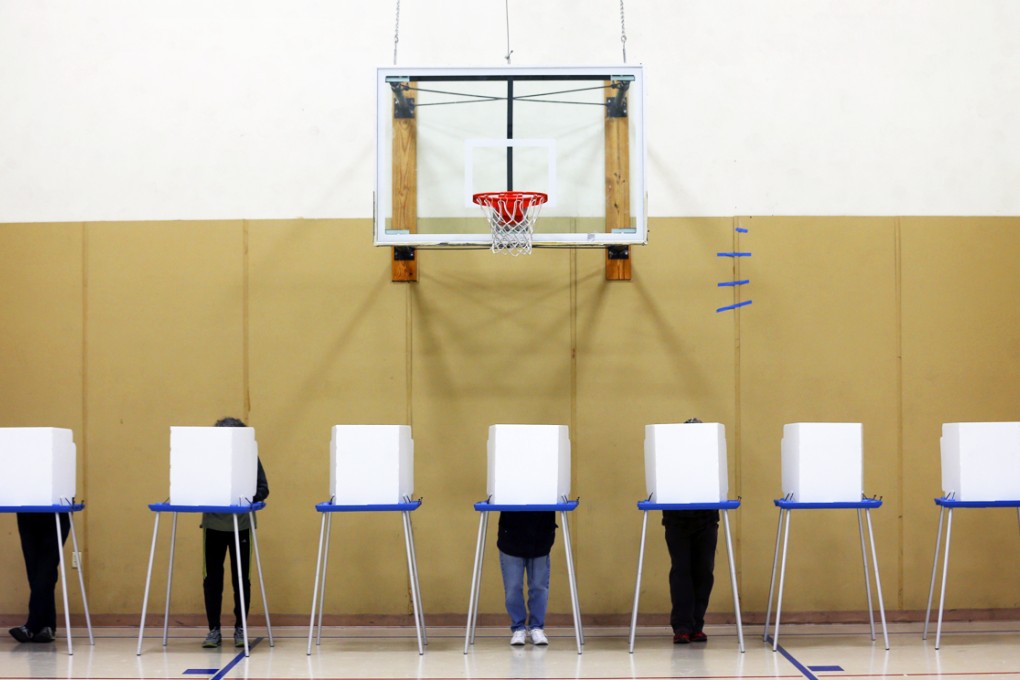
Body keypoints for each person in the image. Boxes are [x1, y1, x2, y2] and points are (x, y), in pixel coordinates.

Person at [201, 417, 269, 649]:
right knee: (212, 581)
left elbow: (264, 488)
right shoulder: (208, 459)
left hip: (241, 525)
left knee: (242, 580)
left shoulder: (249, 458)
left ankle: (241, 628)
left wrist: (247, 496)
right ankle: (214, 630)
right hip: (213, 525)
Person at [662, 418, 719, 644]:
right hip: (677, 520)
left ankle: (696, 625)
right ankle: (682, 626)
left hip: (706, 519)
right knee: (681, 571)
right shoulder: (670, 458)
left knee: (704, 571)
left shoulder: (712, 458)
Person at [497, 510, 556, 646]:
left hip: (540, 535)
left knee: (539, 587)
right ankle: (518, 628)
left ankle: (537, 628)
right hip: (511, 535)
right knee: (513, 587)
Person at [8, 512, 70, 643]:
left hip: (57, 514)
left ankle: (32, 626)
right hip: (27, 514)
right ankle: (47, 626)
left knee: (46, 569)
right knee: (34, 572)